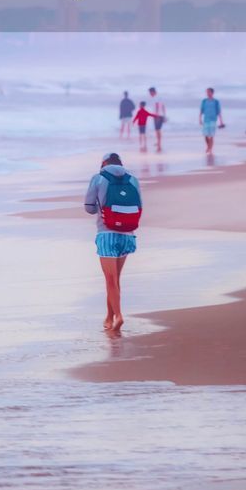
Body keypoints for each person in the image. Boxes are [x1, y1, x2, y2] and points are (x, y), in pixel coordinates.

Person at [84, 152, 142, 331]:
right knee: (115, 279)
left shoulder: (98, 178)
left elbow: (89, 208)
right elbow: (139, 205)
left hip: (107, 234)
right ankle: (109, 317)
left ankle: (118, 316)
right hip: (127, 234)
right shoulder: (133, 179)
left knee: (110, 279)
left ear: (103, 163)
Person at [199, 87, 224, 154]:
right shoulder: (204, 101)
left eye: (208, 92)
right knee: (206, 135)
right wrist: (200, 119)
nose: (207, 93)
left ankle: (210, 149)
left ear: (212, 93)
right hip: (206, 120)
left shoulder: (216, 102)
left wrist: (221, 121)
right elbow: (201, 111)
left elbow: (219, 112)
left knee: (211, 135)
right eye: (207, 92)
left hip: (213, 120)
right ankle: (208, 146)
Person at [147, 86, 167, 152]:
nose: (150, 94)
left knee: (157, 130)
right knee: (158, 129)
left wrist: (156, 115)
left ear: (153, 92)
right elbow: (163, 106)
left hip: (157, 116)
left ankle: (159, 143)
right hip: (160, 115)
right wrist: (164, 115)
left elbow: (157, 106)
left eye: (150, 93)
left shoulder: (156, 98)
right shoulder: (159, 97)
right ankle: (158, 142)